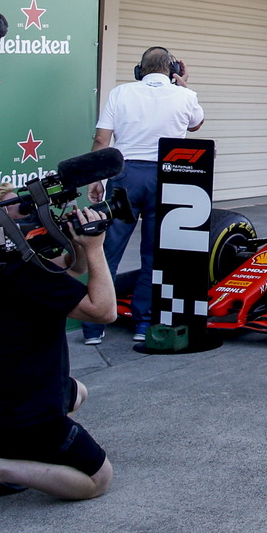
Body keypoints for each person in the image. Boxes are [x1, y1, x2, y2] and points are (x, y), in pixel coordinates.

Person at [0, 209, 116, 523]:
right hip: (23, 415)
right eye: (24, 211)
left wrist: (77, 243)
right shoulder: (32, 276)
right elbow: (104, 310)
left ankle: (23, 458)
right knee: (98, 479)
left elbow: (72, 269)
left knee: (76, 391)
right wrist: (95, 247)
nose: (38, 216)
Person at [86, 47, 204, 344]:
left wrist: (96, 177)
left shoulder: (120, 93)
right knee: (154, 255)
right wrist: (184, 83)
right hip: (166, 177)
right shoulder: (186, 96)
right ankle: (143, 324)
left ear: (139, 70)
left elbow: (102, 139)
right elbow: (196, 123)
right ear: (172, 68)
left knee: (107, 250)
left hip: (124, 177)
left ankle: (93, 326)